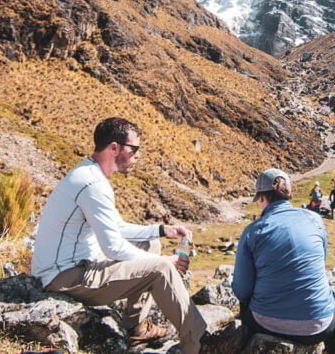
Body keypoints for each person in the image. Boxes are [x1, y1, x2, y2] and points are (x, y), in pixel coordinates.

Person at [30, 117, 207, 352]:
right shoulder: (92, 184)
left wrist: (163, 230)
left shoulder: (89, 175)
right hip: (65, 277)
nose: (138, 156)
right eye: (134, 149)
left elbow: (116, 227)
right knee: (161, 270)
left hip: (73, 266)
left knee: (149, 244)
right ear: (114, 148)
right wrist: (166, 262)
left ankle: (135, 327)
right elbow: (113, 246)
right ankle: (200, 343)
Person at [232, 168, 335, 354]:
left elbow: (241, 291)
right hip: (320, 325)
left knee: (246, 303)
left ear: (261, 198)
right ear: (289, 194)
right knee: (330, 299)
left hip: (267, 324)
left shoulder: (253, 232)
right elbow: (320, 261)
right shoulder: (314, 219)